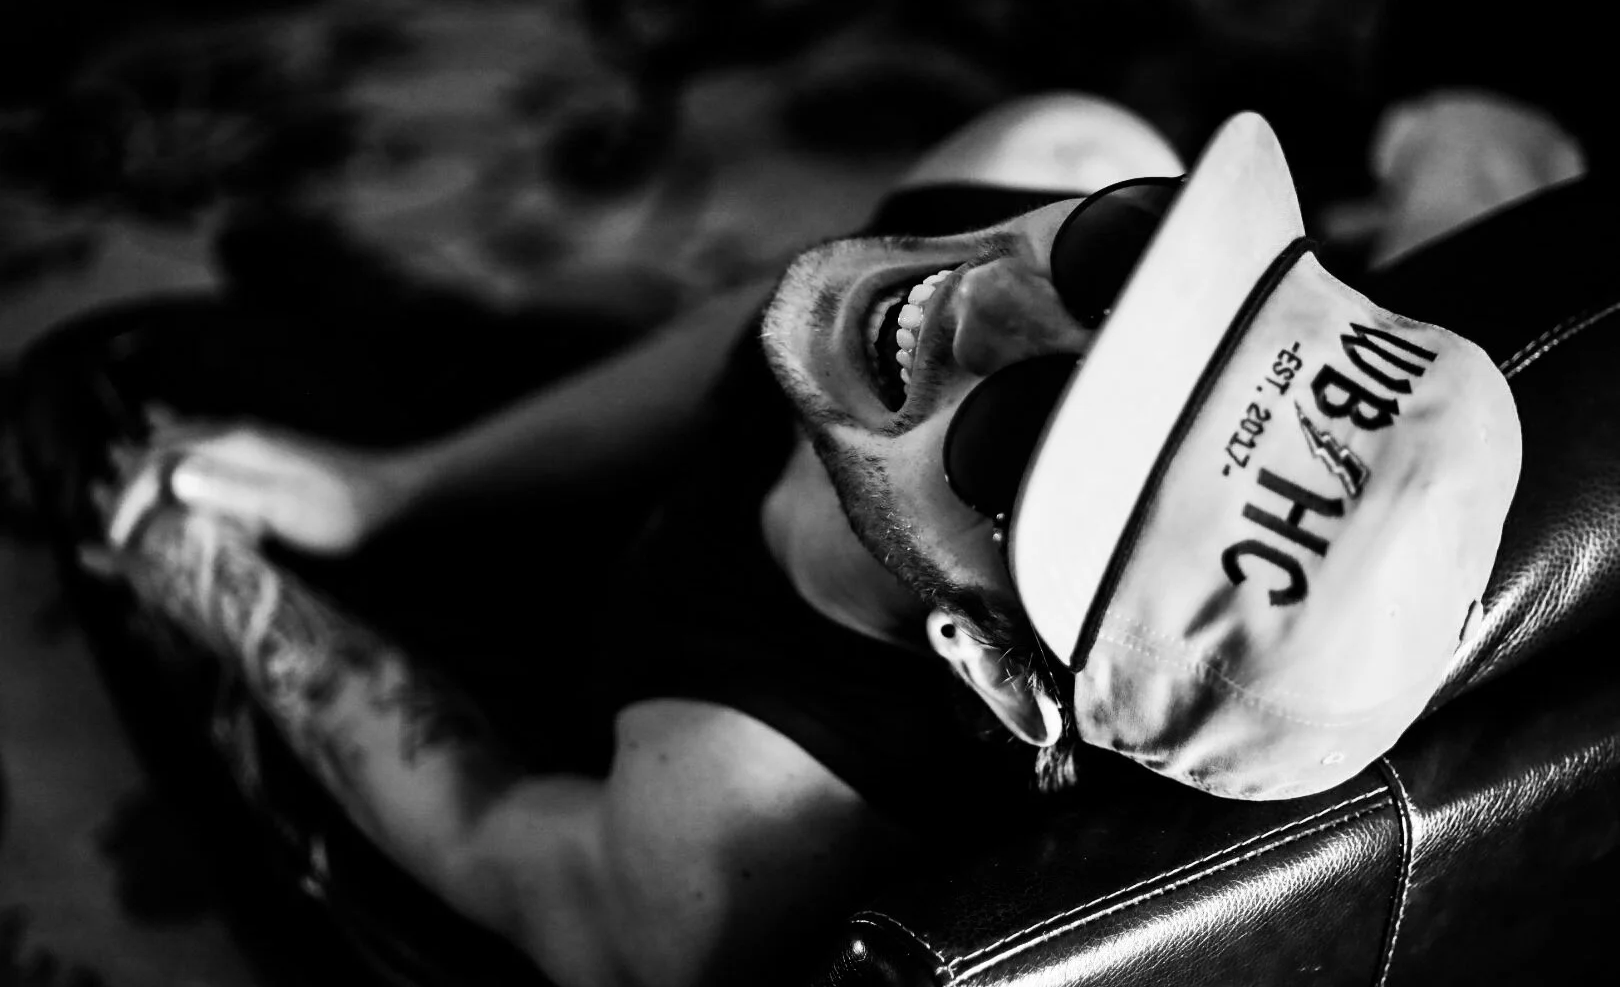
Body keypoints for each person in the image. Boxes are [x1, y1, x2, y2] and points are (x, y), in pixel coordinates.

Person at [48, 92, 1576, 986]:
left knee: (87, 387)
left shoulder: (721, 830)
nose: (978, 296)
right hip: (646, 493)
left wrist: (210, 574)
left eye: (1026, 432)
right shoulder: (1064, 157)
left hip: (587, 649)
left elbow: (491, 840)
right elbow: (780, 317)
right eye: (1131, 263)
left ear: (990, 659)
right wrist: (403, 483)